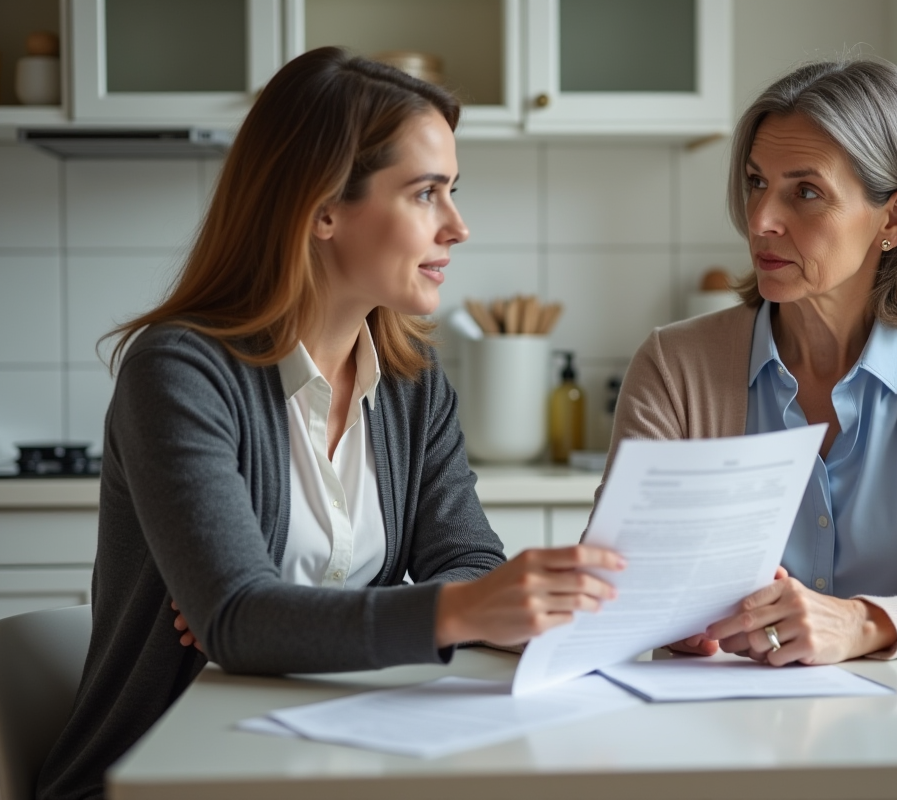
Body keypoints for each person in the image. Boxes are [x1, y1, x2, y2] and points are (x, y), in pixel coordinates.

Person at [38, 48, 622, 800]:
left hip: (335, 755)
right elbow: (241, 621)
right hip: (161, 775)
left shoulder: (413, 380)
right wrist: (445, 611)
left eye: (453, 192)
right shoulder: (181, 372)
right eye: (425, 194)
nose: (458, 227)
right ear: (322, 209)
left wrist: (296, 616)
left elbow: (467, 557)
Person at [601, 58, 897, 666]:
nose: (761, 220)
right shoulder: (674, 365)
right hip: (725, 728)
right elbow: (606, 580)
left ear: (895, 218)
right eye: (755, 182)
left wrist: (862, 624)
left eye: (805, 192)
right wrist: (666, 614)